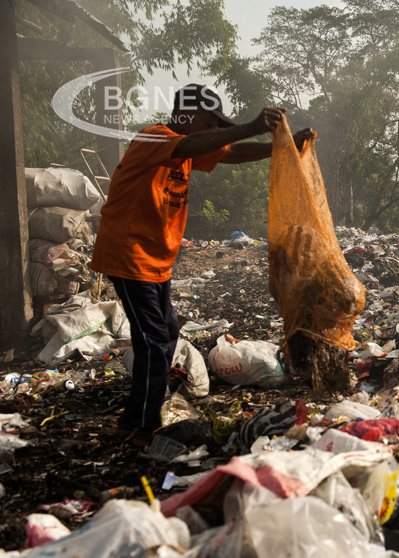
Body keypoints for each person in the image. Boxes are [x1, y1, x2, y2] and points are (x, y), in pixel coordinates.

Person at [91, 84, 312, 447]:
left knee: (167, 331)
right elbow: (193, 145)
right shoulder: (153, 138)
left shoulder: (191, 148)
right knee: (153, 341)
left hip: (156, 259)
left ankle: (136, 416)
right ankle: (143, 427)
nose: (213, 133)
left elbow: (233, 153)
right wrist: (253, 125)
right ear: (187, 117)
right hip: (129, 255)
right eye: (210, 124)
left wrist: (283, 146)